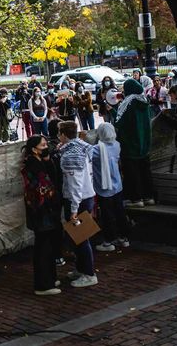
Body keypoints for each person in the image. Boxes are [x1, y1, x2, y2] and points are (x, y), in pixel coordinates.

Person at [58, 121, 98, 288]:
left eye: (59, 133)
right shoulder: (83, 147)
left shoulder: (70, 155)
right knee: (78, 238)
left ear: (64, 135)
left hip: (78, 200)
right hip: (86, 197)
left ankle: (89, 274)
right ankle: (81, 269)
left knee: (81, 238)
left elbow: (75, 184)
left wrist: (73, 209)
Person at [21, 136, 62, 295]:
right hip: (41, 212)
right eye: (43, 145)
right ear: (34, 149)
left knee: (48, 246)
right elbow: (45, 188)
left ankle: (50, 278)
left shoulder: (40, 162)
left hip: (45, 211)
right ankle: (43, 284)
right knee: (43, 247)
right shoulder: (33, 165)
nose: (46, 146)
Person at [114, 79, 155, 207]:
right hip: (144, 145)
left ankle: (136, 199)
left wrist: (111, 110)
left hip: (130, 145)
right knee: (145, 172)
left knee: (133, 173)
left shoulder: (129, 103)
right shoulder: (145, 102)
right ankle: (149, 197)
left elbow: (119, 122)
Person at [92, 123, 130, 252]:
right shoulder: (117, 145)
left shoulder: (96, 149)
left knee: (107, 214)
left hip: (103, 186)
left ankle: (109, 241)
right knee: (119, 211)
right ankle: (123, 238)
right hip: (117, 184)